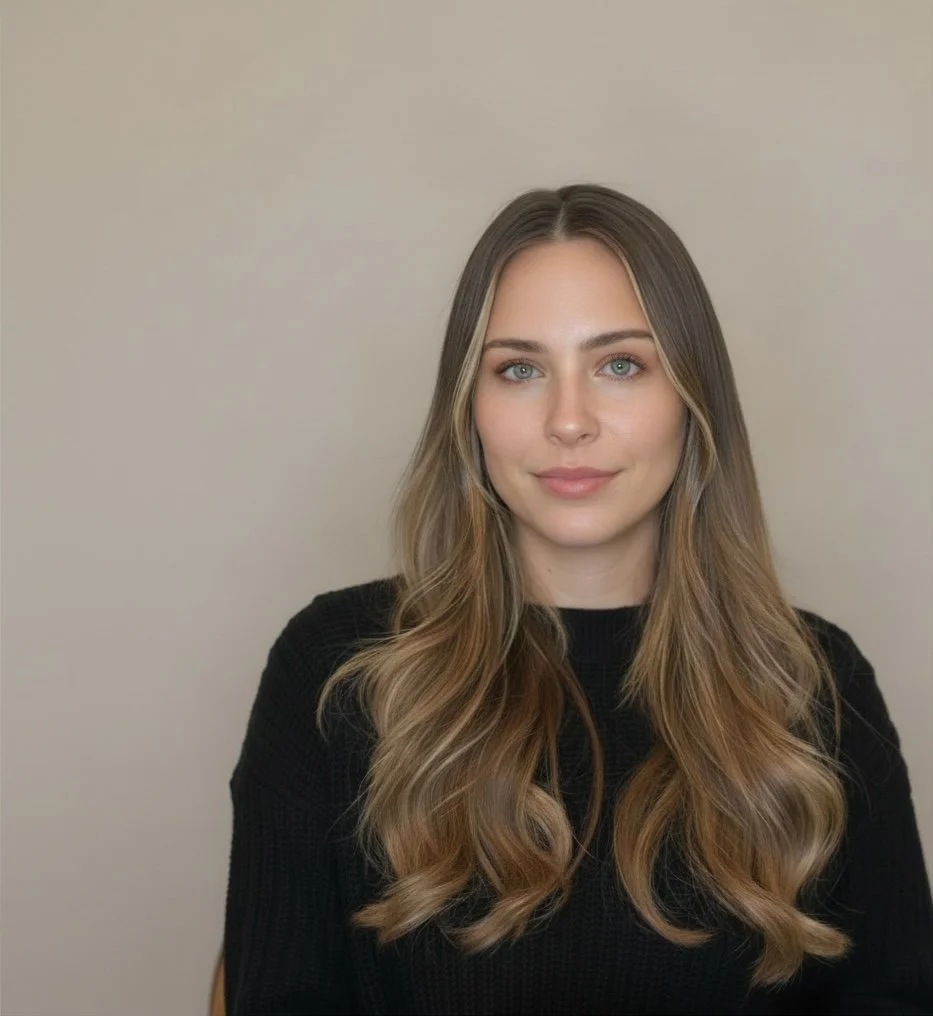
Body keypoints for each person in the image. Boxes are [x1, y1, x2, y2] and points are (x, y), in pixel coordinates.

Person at [222, 184, 933, 1015]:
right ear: (469, 411)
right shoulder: (333, 666)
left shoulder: (813, 679)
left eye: (620, 365)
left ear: (692, 402)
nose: (568, 420)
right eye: (519, 369)